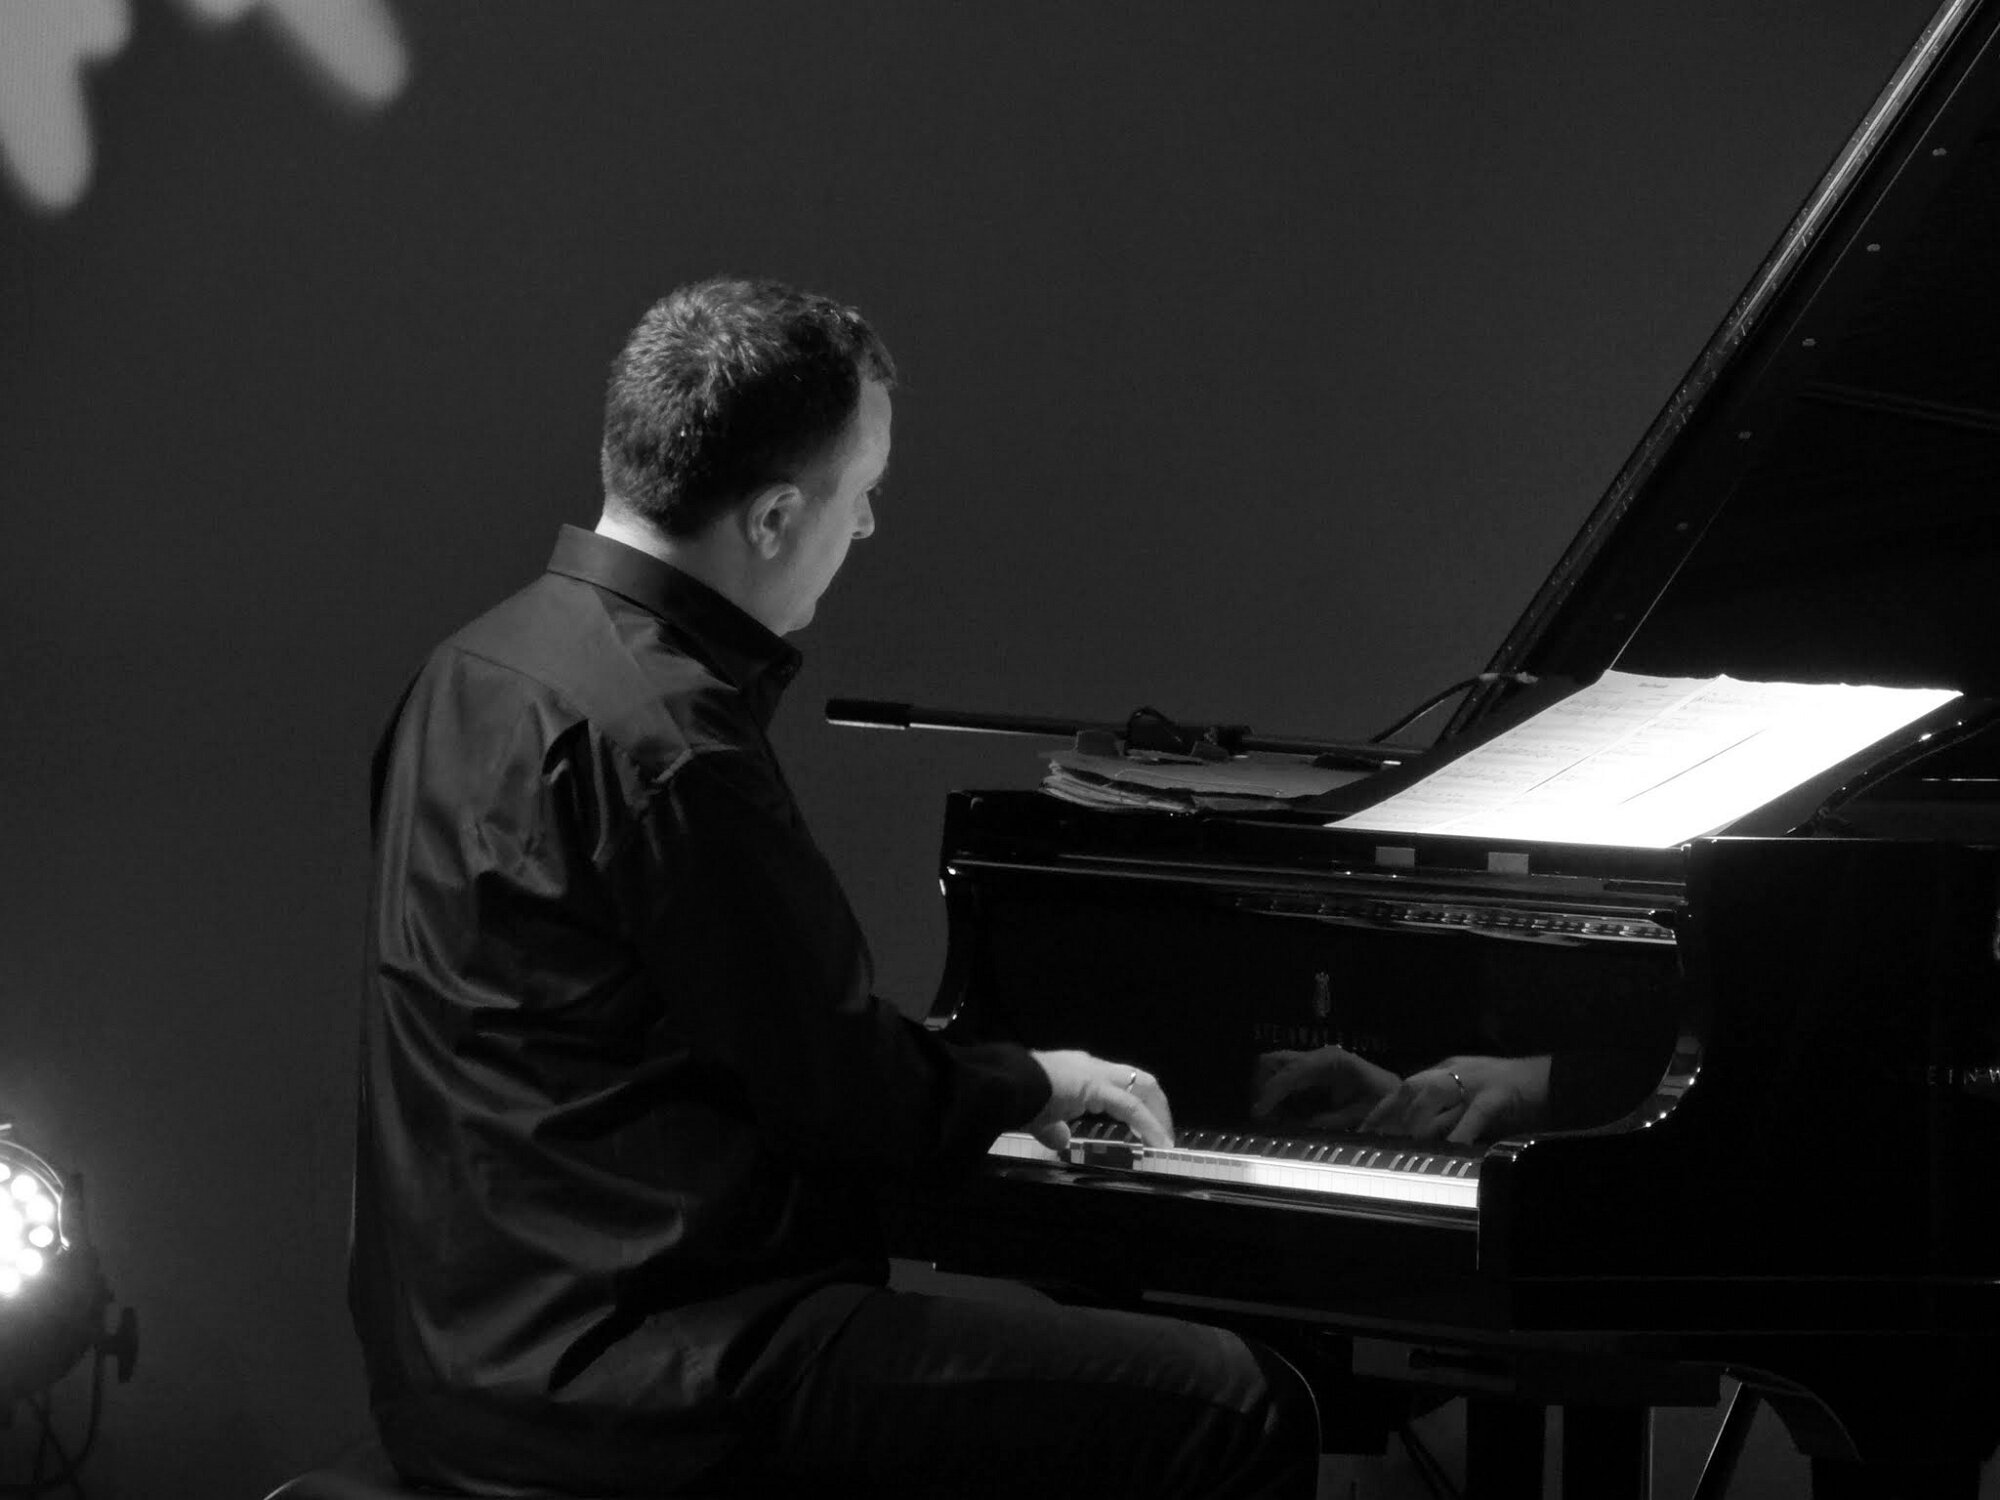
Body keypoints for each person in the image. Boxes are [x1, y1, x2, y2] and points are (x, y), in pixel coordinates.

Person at [349, 276, 1320, 1498]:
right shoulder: (668, 742)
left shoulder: (468, 670)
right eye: (859, 496)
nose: (861, 530)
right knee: (1235, 1406)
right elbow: (839, 1092)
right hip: (653, 1385)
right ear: (770, 518)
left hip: (452, 1373)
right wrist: (1032, 1080)